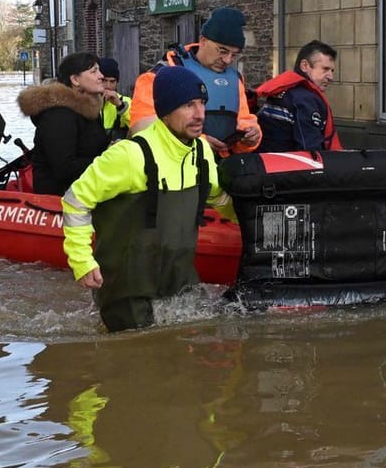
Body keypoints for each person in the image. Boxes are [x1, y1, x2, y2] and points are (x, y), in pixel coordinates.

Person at [62, 65, 235, 332]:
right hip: (127, 291)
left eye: (202, 103)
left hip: (178, 283)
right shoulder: (131, 155)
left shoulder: (201, 151)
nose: (200, 114)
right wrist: (82, 261)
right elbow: (76, 200)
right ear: (165, 113)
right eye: (188, 105)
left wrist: (256, 223)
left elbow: (220, 198)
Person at [130, 6, 261, 157]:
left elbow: (244, 119)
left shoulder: (234, 79)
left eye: (234, 55)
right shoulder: (160, 75)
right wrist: (200, 142)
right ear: (203, 41)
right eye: (222, 51)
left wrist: (251, 135)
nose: (228, 60)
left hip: (221, 169)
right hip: (175, 168)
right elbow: (142, 129)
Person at [17, 51, 115, 196]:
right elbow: (64, 168)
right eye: (94, 71)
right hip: (60, 202)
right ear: (75, 80)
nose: (101, 76)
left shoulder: (90, 109)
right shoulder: (59, 115)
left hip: (86, 193)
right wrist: (109, 161)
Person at [254, 40, 342, 152]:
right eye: (325, 69)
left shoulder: (284, 90)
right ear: (305, 66)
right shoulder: (304, 98)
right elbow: (310, 151)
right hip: (286, 165)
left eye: (332, 70)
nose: (331, 77)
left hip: (264, 160)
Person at [97, 56, 131, 138]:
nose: (108, 86)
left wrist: (120, 106)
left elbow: (139, 126)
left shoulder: (125, 101)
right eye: (104, 80)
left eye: (112, 81)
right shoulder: (87, 101)